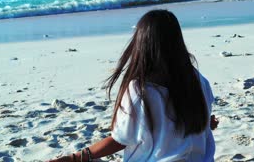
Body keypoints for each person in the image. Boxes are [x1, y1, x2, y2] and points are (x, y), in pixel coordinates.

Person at [48, 9, 218, 162]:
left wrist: (76, 157)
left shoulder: (141, 89)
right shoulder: (196, 78)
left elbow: (120, 140)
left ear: (141, 43)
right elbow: (204, 121)